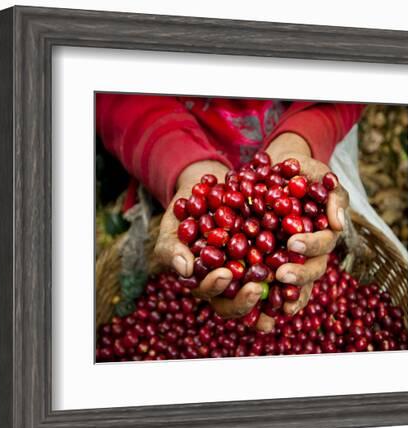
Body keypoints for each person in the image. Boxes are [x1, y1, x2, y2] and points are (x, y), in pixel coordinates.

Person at [96, 94, 364, 330]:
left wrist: (302, 138)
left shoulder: (264, 206)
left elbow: (354, 74)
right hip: (168, 148)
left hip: (301, 130)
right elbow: (113, 92)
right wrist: (185, 166)